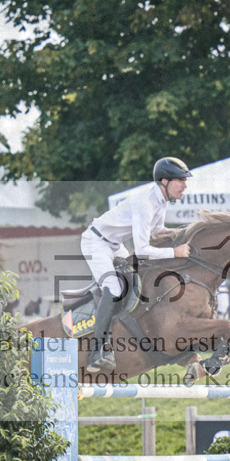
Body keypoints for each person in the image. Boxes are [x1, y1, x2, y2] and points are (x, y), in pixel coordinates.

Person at [78, 157, 192, 373]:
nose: (185, 185)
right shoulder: (145, 203)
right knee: (114, 289)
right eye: (180, 180)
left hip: (114, 244)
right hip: (96, 242)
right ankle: (96, 353)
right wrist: (174, 252)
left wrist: (184, 234)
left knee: (138, 281)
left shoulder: (161, 201)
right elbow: (142, 250)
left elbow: (158, 232)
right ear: (165, 181)